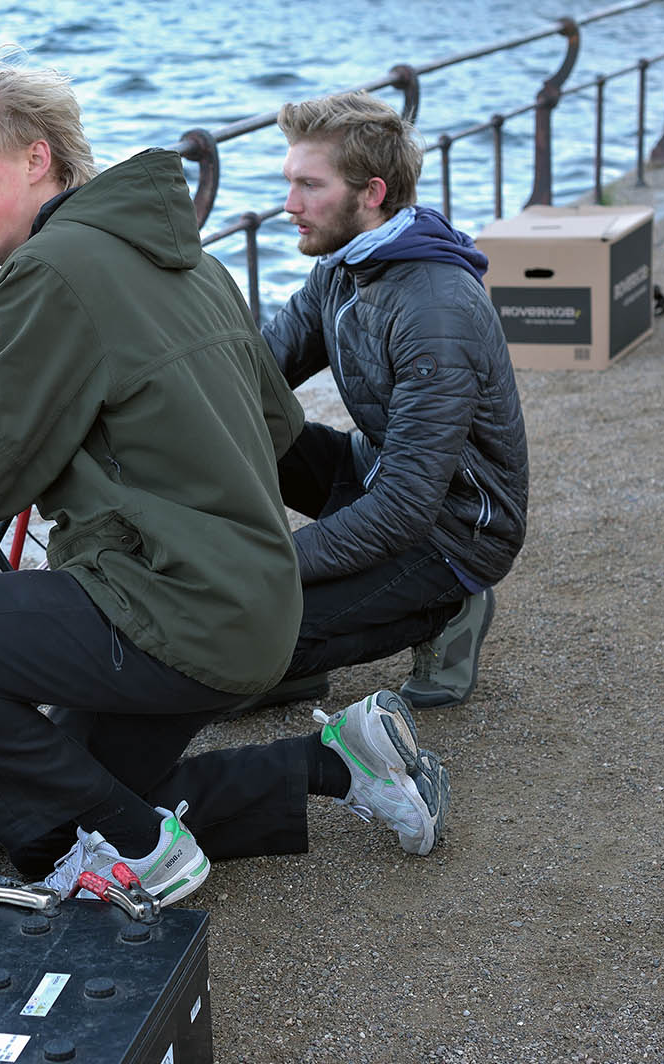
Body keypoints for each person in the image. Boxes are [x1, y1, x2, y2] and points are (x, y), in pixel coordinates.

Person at [0, 56, 450, 907]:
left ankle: (138, 848)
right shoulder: (189, 259)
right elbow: (275, 427)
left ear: (35, 160)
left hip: (169, 608)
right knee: (53, 815)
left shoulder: (49, 273)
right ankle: (329, 761)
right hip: (255, 609)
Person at [251, 91, 529, 713]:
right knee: (238, 425)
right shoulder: (345, 266)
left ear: (372, 193)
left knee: (238, 636)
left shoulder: (434, 311)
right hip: (379, 472)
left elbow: (405, 508)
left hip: (452, 529)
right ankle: (289, 658)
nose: (288, 206)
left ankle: (448, 607)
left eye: (308, 186)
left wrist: (264, 565)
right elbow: (252, 377)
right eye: (287, 183)